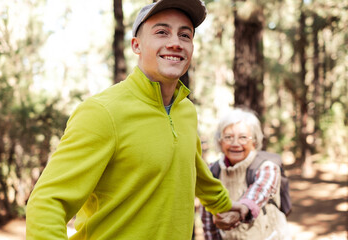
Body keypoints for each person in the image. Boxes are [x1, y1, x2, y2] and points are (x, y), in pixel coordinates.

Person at [26, 1, 248, 239]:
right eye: (162, 32)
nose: (175, 42)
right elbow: (47, 202)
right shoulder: (103, 112)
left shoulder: (186, 110)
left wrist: (222, 204)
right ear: (136, 45)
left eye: (185, 35)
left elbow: (190, 165)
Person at [200, 107, 291, 240]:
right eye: (228, 137)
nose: (235, 144)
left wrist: (242, 209)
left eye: (243, 137)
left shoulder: (267, 167)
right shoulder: (213, 171)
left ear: (254, 141)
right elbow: (207, 218)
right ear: (220, 141)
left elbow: (260, 191)